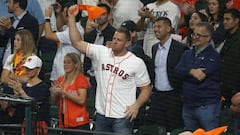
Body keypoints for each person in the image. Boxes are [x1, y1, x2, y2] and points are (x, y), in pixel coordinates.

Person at [68, 5, 152, 135]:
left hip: (122, 116)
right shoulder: (101, 52)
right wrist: (71, 18)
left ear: (127, 43)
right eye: (114, 39)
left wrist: (136, 106)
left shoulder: (136, 62)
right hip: (102, 114)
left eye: (119, 40)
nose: (115, 42)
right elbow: (77, 42)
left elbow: (146, 88)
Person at [175, 22, 221, 131]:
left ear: (208, 37)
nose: (195, 38)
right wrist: (191, 71)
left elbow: (199, 77)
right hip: (188, 105)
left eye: (199, 35)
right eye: (194, 34)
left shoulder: (213, 56)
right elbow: (176, 72)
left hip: (206, 106)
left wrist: (186, 72)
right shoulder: (187, 54)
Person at [148, 17, 186, 132]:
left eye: (159, 26)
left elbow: (183, 72)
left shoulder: (180, 48)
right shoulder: (154, 48)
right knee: (159, 128)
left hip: (173, 95)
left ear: (168, 28)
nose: (155, 29)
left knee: (174, 128)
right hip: (158, 95)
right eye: (154, 27)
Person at [8, 55, 50, 135]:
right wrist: (16, 95)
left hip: (36, 126)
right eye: (26, 68)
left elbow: (34, 105)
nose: (27, 71)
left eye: (30, 69)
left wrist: (21, 91)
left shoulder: (43, 87)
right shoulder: (23, 85)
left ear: (38, 69)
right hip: (21, 123)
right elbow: (14, 105)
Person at [50, 53, 90, 135]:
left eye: (68, 62)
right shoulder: (61, 79)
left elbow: (81, 100)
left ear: (75, 65)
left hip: (79, 123)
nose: (65, 65)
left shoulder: (81, 79)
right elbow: (54, 102)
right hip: (64, 121)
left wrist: (64, 92)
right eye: (64, 62)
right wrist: (56, 93)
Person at [44, 1, 84, 82]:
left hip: (65, 74)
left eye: (64, 12)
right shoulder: (72, 28)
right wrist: (58, 13)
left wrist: (47, 17)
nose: (63, 14)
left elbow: (48, 35)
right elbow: (60, 28)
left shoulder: (74, 31)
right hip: (61, 71)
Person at [84, 3, 116, 98]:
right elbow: (87, 55)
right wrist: (85, 74)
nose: (99, 16)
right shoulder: (90, 34)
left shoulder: (114, 34)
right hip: (91, 76)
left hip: (106, 76)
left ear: (108, 15)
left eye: (103, 14)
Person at [0, 0, 39, 66]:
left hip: (21, 64)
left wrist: (9, 28)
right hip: (5, 62)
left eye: (9, 2)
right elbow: (2, 43)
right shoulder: (10, 20)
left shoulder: (31, 21)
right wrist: (3, 31)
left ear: (16, 5)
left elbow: (26, 42)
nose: (7, 5)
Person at [220, 8, 240, 106]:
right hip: (224, 88)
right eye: (223, 19)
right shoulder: (227, 36)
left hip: (235, 91)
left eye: (228, 19)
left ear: (236, 21)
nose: (224, 22)